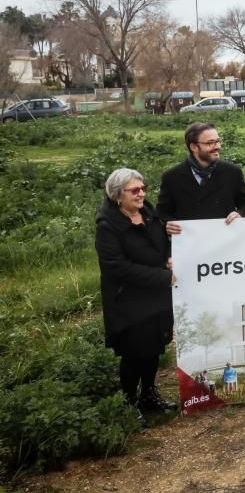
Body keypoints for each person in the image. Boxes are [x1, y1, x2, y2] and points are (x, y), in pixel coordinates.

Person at [96, 168, 176, 423]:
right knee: (134, 353)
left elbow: (162, 246)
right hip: (128, 301)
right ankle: (129, 402)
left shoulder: (150, 215)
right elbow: (116, 267)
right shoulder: (108, 226)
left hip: (156, 298)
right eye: (134, 190)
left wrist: (171, 253)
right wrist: (162, 277)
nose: (141, 194)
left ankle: (149, 394)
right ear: (118, 195)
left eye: (143, 188)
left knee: (153, 348)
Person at [157, 122, 245, 236]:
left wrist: (240, 214)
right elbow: (162, 212)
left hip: (225, 241)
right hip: (191, 243)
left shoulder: (232, 172)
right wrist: (168, 225)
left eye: (218, 141)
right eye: (210, 143)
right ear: (194, 147)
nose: (217, 146)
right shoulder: (172, 177)